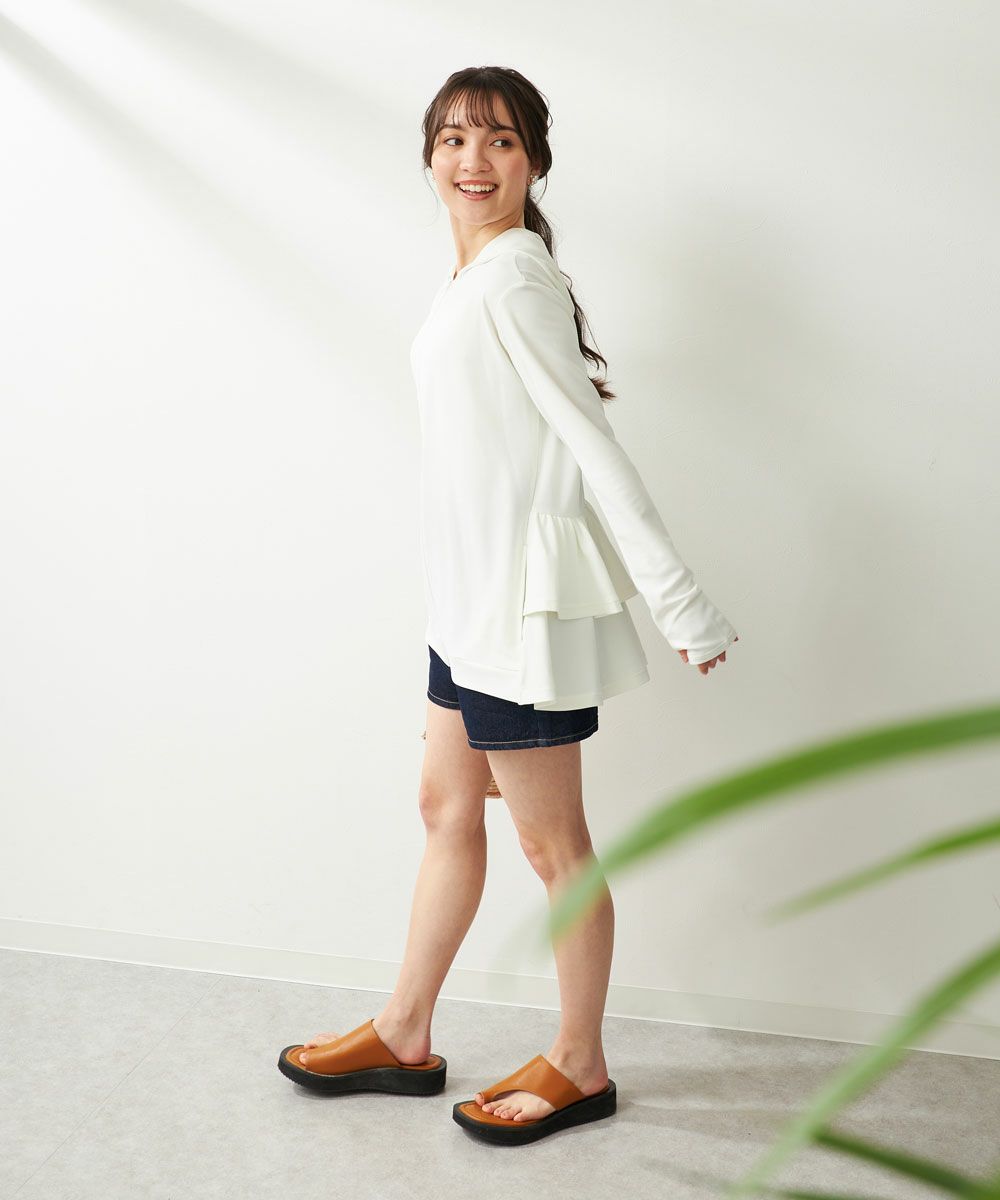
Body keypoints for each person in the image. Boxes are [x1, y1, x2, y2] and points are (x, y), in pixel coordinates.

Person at [277, 67, 738, 1145]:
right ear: (428, 158)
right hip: (466, 610)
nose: (473, 161)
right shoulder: (474, 278)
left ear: (533, 161)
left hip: (521, 622)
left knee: (553, 847)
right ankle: (403, 1032)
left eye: (498, 141)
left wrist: (682, 606)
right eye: (452, 139)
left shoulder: (514, 279)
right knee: (445, 810)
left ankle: (580, 1063)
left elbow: (593, 447)